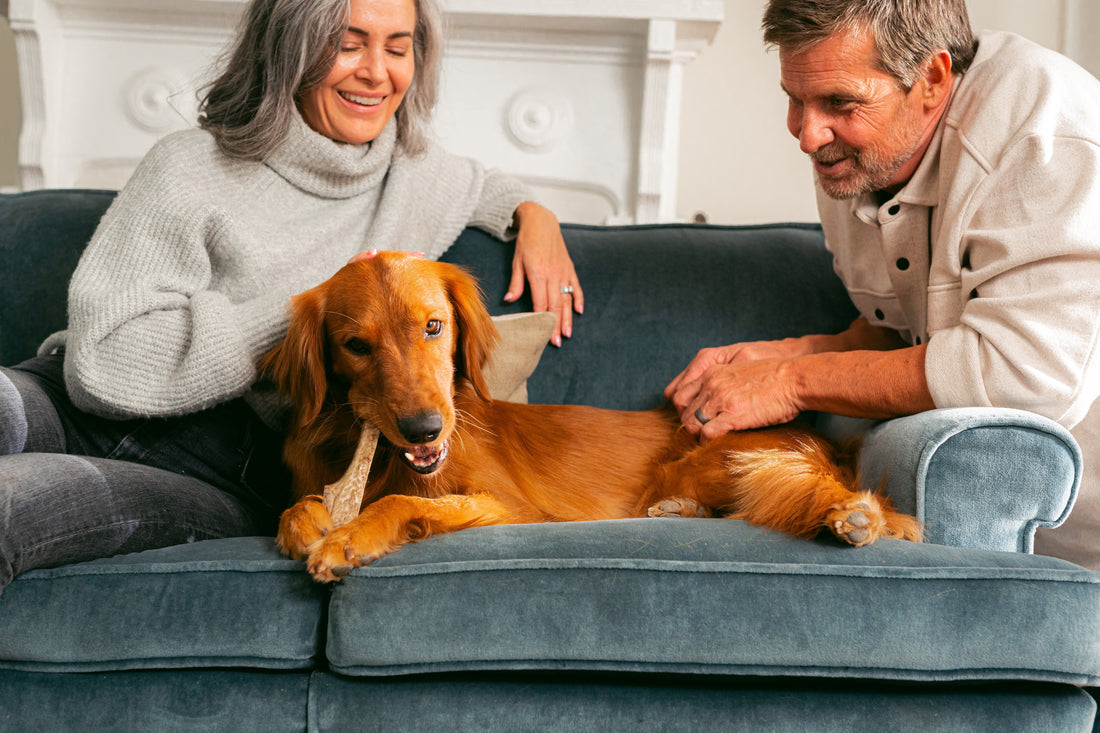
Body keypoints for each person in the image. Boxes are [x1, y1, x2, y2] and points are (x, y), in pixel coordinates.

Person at [0, 0, 583, 592]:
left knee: (7, 506)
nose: (376, 72)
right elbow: (102, 365)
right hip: (73, 404)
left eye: (398, 48)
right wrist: (301, 314)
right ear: (289, 49)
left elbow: (488, 187)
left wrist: (533, 214)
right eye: (348, 44)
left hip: (233, 474)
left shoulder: (419, 175)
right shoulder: (187, 167)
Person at [665, 0, 1100, 570]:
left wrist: (790, 381)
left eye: (839, 103)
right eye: (795, 99)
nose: (805, 134)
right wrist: (787, 353)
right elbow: (914, 334)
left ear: (932, 78)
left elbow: (1026, 374)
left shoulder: (1047, 131)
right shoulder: (856, 154)